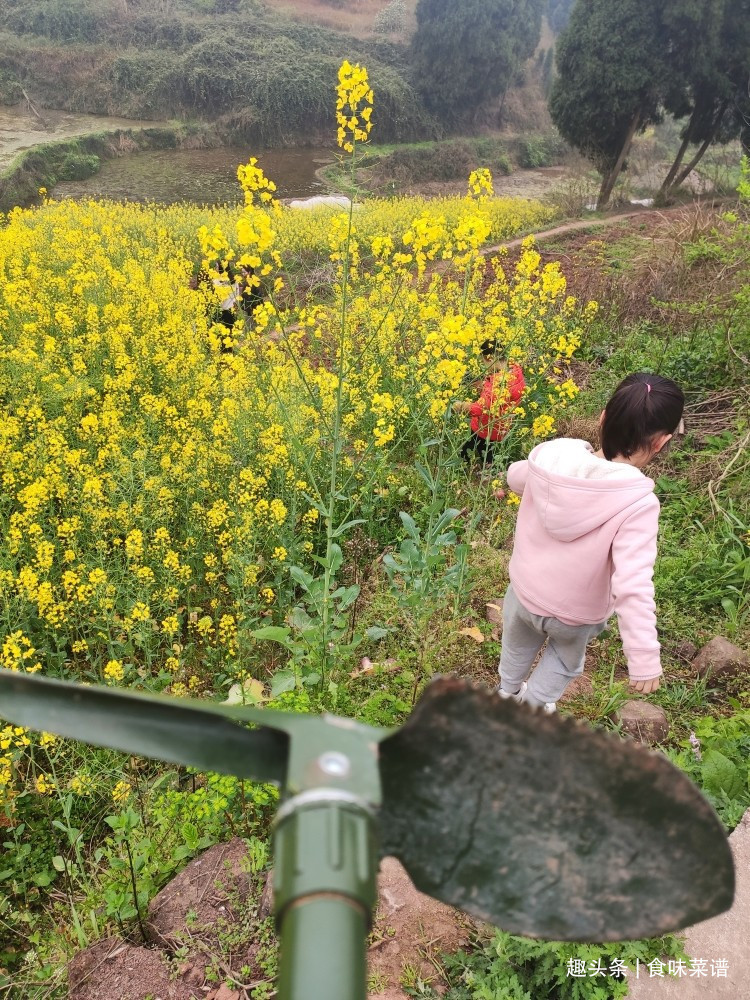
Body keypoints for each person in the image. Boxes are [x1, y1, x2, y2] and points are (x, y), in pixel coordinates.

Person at [497, 372, 685, 713]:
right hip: (575, 617)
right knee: (563, 660)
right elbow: (633, 583)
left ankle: (507, 693)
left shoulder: (553, 457)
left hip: (524, 593)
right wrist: (643, 655)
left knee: (516, 643)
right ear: (661, 442)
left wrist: (532, 477)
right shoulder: (637, 503)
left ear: (602, 418)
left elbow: (515, 477)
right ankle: (531, 710)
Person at [453, 340, 525, 466]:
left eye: (484, 362)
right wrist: (483, 386)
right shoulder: (515, 370)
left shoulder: (498, 384)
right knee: (488, 449)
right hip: (501, 425)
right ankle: (488, 467)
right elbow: (500, 396)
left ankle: (464, 467)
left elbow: (479, 408)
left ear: (489, 359)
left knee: (474, 447)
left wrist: (460, 406)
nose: (484, 366)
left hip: (485, 426)